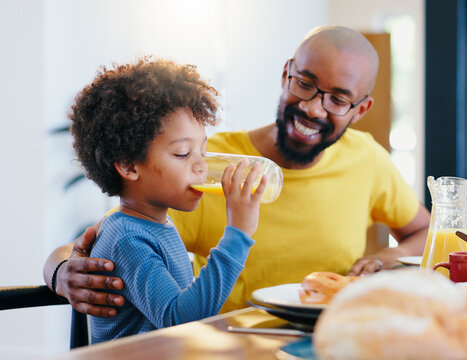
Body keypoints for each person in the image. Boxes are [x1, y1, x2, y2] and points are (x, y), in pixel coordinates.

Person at [43, 26, 431, 316]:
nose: (314, 108)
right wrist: (61, 271)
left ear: (360, 110)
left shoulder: (367, 159)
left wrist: (383, 260)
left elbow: (424, 231)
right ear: (286, 75)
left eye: (337, 99)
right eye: (305, 84)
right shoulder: (201, 169)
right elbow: (104, 241)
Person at [66, 57, 266, 342]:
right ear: (129, 166)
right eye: (183, 154)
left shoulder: (158, 223)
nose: (201, 166)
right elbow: (180, 319)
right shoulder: (127, 237)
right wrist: (238, 235)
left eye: (203, 151)